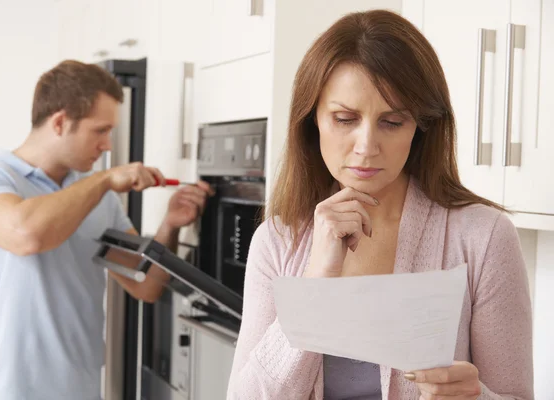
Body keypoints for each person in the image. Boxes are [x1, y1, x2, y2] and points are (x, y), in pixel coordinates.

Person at [227, 9, 533, 400]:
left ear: (420, 127)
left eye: (392, 122)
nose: (366, 147)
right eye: (344, 118)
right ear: (312, 121)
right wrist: (315, 282)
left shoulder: (484, 237)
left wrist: (476, 397)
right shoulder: (277, 241)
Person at [0, 60, 213, 400]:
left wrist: (171, 224)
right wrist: (104, 179)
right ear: (60, 122)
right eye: (100, 130)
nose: (107, 145)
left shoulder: (96, 196)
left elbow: (145, 284)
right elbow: (26, 235)